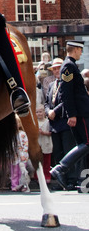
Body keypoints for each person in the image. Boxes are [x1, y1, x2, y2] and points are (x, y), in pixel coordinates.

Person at [50, 41, 89, 190]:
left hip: (79, 112)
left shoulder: (70, 66)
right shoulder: (68, 67)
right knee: (86, 143)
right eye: (80, 50)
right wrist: (71, 114)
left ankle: (84, 182)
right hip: (79, 113)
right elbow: (65, 92)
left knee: (83, 146)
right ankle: (61, 168)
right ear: (76, 49)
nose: (81, 53)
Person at [45, 58, 78, 189]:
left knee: (68, 151)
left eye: (59, 68)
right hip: (54, 125)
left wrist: (55, 111)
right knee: (58, 152)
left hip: (65, 122)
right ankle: (61, 180)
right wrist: (48, 112)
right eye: (54, 69)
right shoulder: (52, 85)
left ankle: (71, 179)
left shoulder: (67, 82)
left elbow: (67, 99)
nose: (57, 71)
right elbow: (47, 102)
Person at [10, 117, 30, 192]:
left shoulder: (23, 134)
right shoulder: (10, 135)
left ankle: (23, 185)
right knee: (14, 172)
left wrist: (24, 154)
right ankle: (14, 185)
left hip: (22, 155)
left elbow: (26, 144)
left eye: (17, 123)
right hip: (14, 155)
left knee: (22, 171)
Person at [36, 104, 53, 183]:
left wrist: (43, 133)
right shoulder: (35, 122)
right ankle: (38, 177)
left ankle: (47, 176)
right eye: (37, 112)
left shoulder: (48, 122)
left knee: (46, 162)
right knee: (38, 161)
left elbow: (50, 132)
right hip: (38, 143)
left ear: (44, 112)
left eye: (40, 112)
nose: (39, 113)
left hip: (46, 143)